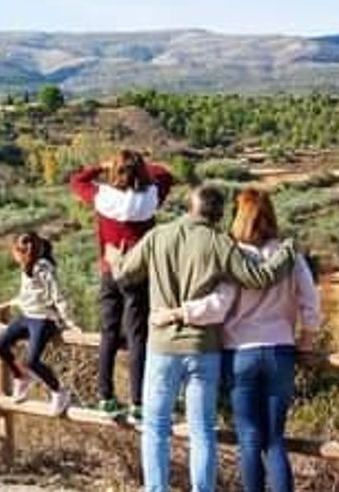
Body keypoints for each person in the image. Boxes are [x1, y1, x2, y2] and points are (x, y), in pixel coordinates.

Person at [111, 186, 295, 492]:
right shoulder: (220, 243)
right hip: (204, 348)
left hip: (162, 345)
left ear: (189, 207)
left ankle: (157, 488)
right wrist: (286, 253)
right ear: (220, 214)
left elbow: (125, 274)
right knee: (202, 431)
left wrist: (117, 259)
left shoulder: (158, 236)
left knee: (156, 427)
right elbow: (257, 278)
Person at [154, 188, 321, 492]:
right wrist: (307, 339)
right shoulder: (289, 255)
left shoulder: (234, 256)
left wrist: (178, 313)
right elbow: (311, 301)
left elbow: (217, 306)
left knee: (248, 439)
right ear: (271, 215)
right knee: (274, 440)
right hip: (280, 351)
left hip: (239, 354)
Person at [70, 149, 173, 420]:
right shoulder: (151, 198)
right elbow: (165, 174)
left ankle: (106, 396)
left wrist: (102, 166)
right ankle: (138, 402)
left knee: (109, 333)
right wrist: (142, 167)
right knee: (138, 336)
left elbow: (77, 181)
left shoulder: (103, 198)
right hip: (139, 272)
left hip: (110, 268)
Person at [0, 232, 80, 416]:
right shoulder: (26, 267)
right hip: (27, 316)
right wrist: (10, 303)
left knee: (31, 360)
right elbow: (29, 294)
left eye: (15, 252)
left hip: (43, 320)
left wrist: (69, 322)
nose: (14, 256)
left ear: (24, 252)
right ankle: (21, 377)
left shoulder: (44, 268)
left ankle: (59, 391)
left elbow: (58, 295)